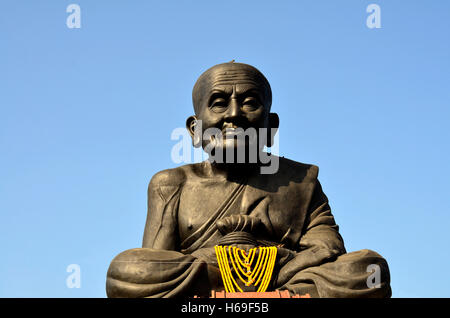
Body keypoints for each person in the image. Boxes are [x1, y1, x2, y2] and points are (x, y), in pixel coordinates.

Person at [106, 62, 391, 298]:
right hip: (206, 277)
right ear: (195, 129)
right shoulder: (171, 183)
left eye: (250, 103)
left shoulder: (301, 181)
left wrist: (274, 265)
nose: (234, 114)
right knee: (130, 269)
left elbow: (327, 247)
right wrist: (218, 260)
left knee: (367, 270)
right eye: (218, 103)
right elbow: (156, 260)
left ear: (271, 126)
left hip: (285, 279)